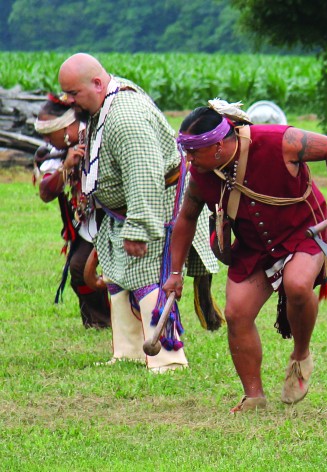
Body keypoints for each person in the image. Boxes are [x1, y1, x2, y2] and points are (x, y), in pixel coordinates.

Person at [163, 103, 327, 412]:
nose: (189, 160)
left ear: (220, 146)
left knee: (298, 284)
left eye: (194, 152)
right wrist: (174, 273)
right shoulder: (201, 174)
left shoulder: (280, 142)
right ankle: (254, 396)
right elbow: (186, 219)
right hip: (254, 245)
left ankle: (300, 356)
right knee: (236, 312)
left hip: (304, 231)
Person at [58, 53, 217, 373]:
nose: (68, 100)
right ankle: (128, 352)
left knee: (150, 283)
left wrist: (138, 228)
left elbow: (143, 175)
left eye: (73, 93)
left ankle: (167, 358)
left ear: (98, 83)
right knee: (119, 280)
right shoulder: (106, 104)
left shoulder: (126, 118)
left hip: (150, 210)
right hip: (122, 213)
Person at [33, 95, 111, 329]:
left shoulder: (102, 135)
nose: (46, 139)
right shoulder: (55, 152)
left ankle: (133, 320)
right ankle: (99, 322)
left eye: (51, 132)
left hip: (119, 215)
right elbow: (46, 192)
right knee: (79, 268)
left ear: (68, 127)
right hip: (88, 220)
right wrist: (66, 167)